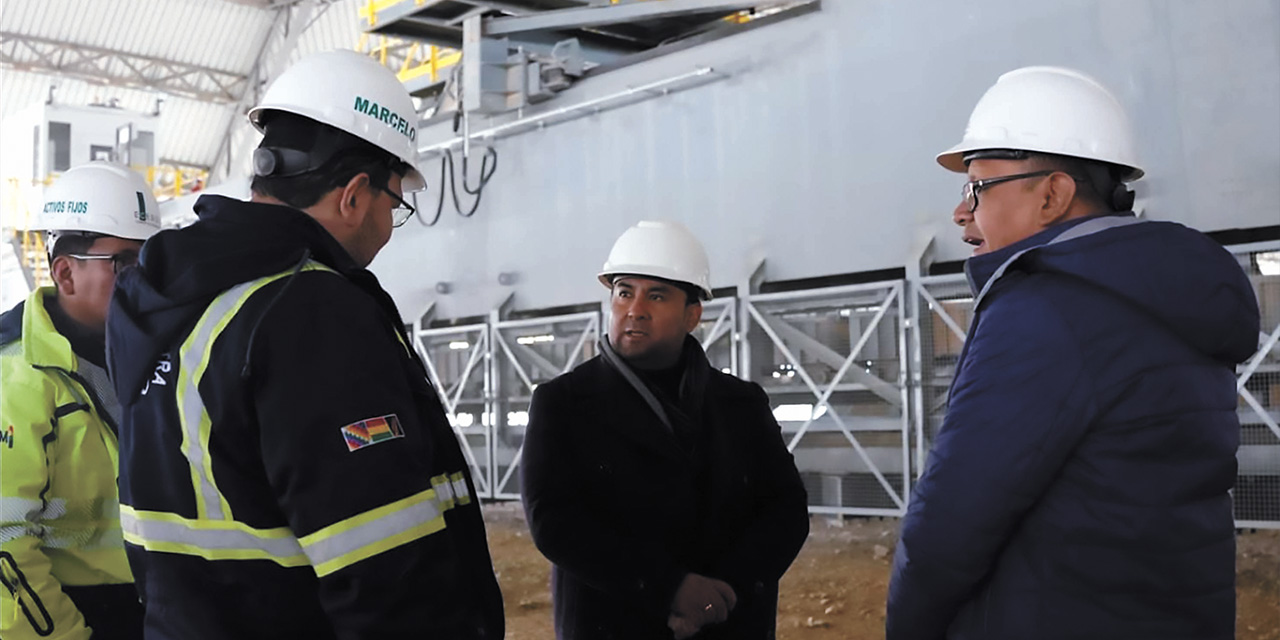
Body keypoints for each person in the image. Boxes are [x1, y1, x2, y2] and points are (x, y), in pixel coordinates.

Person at [103, 50, 504, 639]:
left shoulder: (159, 299)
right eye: (395, 201)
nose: (391, 223)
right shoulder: (310, 309)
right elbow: (380, 561)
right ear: (354, 194)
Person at [886, 66, 1260, 639]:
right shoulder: (1166, 297)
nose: (962, 213)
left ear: (1053, 194)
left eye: (977, 187)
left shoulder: (1045, 311)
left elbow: (951, 523)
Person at [521, 220, 810, 640]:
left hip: (731, 623)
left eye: (656, 295)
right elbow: (554, 522)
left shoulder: (741, 404)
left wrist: (720, 593)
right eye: (624, 292)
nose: (634, 309)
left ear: (693, 314)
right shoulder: (563, 404)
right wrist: (668, 588)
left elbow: (785, 508)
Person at [1, 162, 159, 640]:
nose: (147, 281)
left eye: (152, 261)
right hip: (70, 615)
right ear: (65, 273)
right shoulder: (17, 380)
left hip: (158, 610)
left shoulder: (163, 356)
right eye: (126, 264)